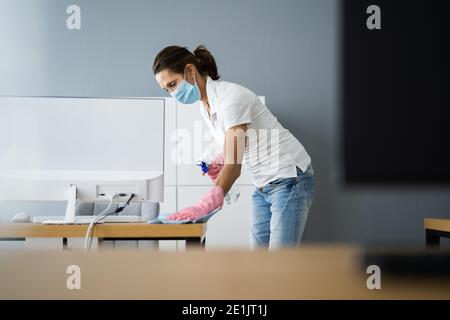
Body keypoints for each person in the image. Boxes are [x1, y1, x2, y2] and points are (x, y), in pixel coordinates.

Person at [153, 45, 315, 249]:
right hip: (262, 185)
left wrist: (206, 205)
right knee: (258, 263)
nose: (173, 93)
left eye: (173, 84)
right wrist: (218, 162)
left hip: (290, 177)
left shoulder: (231, 98)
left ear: (190, 71)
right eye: (167, 89)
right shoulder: (206, 105)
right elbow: (234, 144)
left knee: (278, 264)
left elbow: (234, 165)